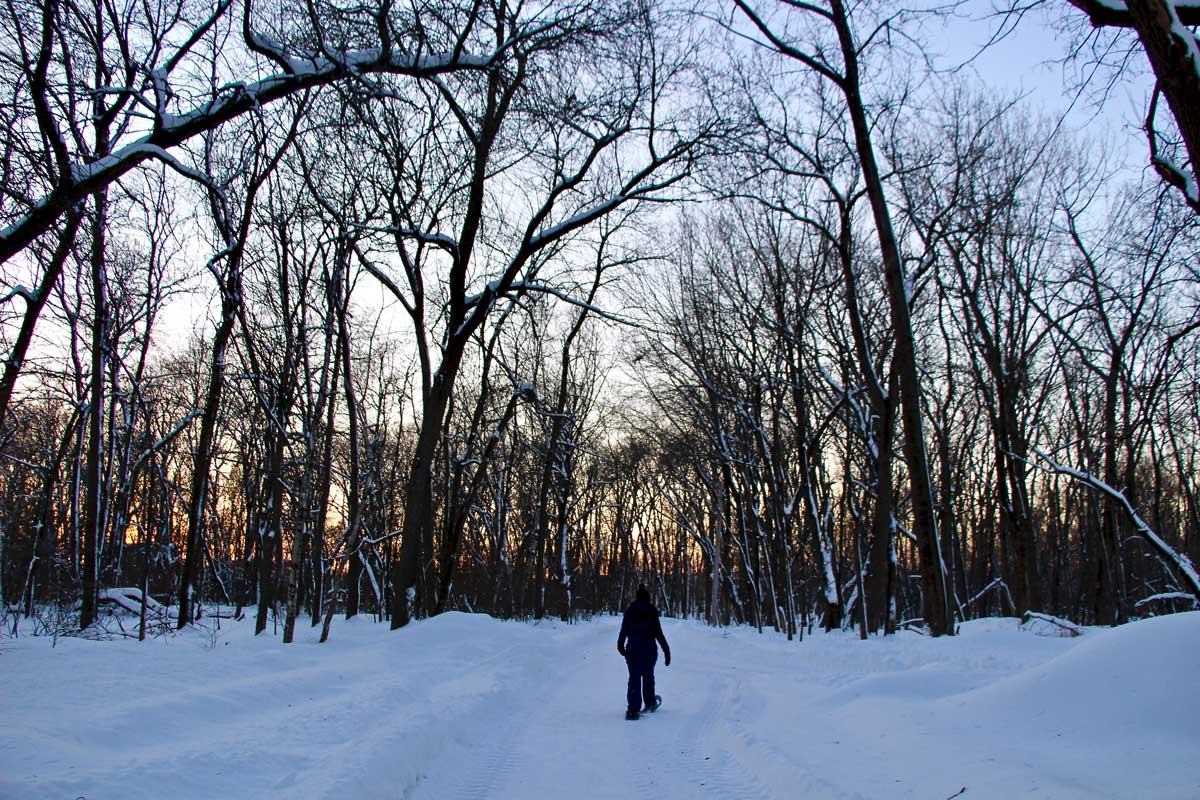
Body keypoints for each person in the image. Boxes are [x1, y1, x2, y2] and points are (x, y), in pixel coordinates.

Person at [617, 583, 671, 720]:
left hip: (633, 651)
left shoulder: (630, 610)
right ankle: (650, 703)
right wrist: (666, 650)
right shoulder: (651, 610)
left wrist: (620, 646)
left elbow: (624, 631)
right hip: (649, 651)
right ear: (647, 597)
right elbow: (658, 633)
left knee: (634, 678)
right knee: (648, 676)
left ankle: (633, 711)